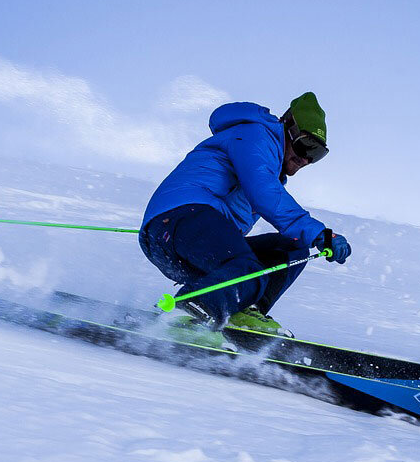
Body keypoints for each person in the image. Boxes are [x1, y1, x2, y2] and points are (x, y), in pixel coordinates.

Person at [139, 92, 352, 344]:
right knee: (247, 270)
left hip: (192, 237)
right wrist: (319, 233)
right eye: (305, 145)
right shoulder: (256, 136)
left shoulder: (271, 164)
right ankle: (188, 311)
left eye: (317, 154)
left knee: (291, 249)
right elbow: (264, 192)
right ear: (287, 127)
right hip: (178, 221)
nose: (306, 158)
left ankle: (242, 311)